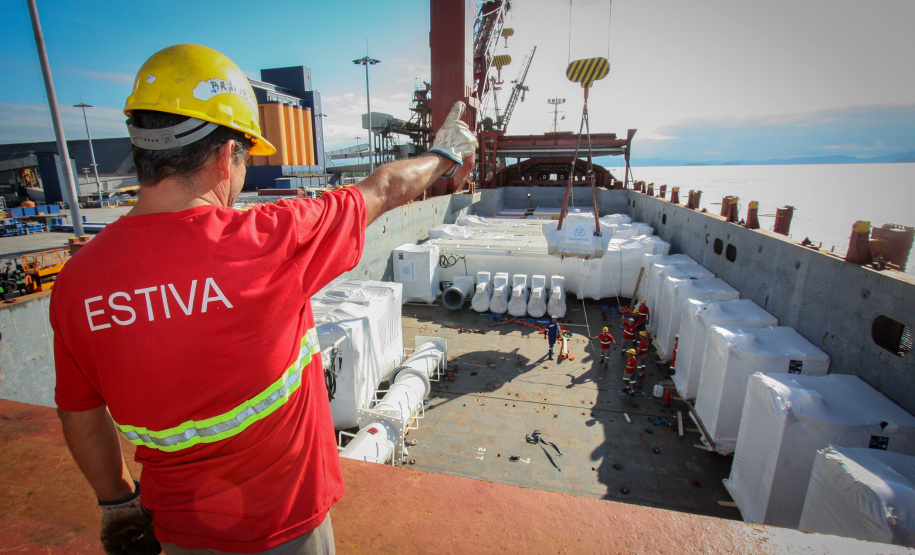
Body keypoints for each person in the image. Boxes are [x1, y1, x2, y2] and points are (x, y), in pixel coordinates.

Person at [49, 44, 477, 555]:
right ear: (227, 154)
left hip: (179, 531)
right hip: (287, 527)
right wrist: (445, 154)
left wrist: (117, 502)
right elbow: (384, 188)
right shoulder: (272, 239)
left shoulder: (77, 281)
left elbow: (79, 412)